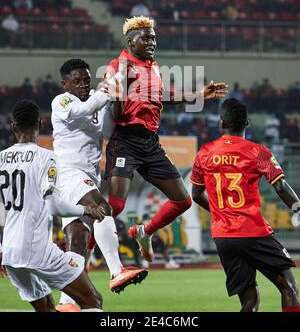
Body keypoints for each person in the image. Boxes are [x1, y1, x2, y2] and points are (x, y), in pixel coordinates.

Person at [104, 16, 228, 263]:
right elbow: (115, 114)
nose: (151, 42)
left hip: (150, 143)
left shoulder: (153, 66)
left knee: (183, 200)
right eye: (146, 38)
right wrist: (119, 90)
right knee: (115, 206)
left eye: (153, 38)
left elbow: (163, 95)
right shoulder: (119, 65)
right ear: (131, 41)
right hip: (125, 140)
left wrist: (199, 95)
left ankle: (144, 232)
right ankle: (80, 256)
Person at [51, 59, 147, 312]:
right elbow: (83, 111)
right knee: (102, 209)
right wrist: (111, 85)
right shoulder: (62, 102)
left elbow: (105, 130)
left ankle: (66, 301)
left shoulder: (95, 99)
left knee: (78, 241)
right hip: (69, 173)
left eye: (86, 80)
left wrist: (115, 96)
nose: (83, 85)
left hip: (87, 176)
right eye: (77, 81)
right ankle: (117, 270)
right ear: (65, 84)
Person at [191, 98, 300, 312]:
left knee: (249, 300)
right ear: (247, 123)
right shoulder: (258, 152)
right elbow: (281, 187)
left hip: (223, 236)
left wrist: (220, 213)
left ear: (221, 124)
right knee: (289, 288)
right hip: (252, 231)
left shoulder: (205, 152)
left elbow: (195, 194)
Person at [0, 100, 105, 312]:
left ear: (13, 127)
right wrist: (86, 209)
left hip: (10, 253)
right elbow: (54, 207)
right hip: (37, 250)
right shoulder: (47, 158)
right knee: (92, 300)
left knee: (46, 309)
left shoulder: (1, 159)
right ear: (40, 124)